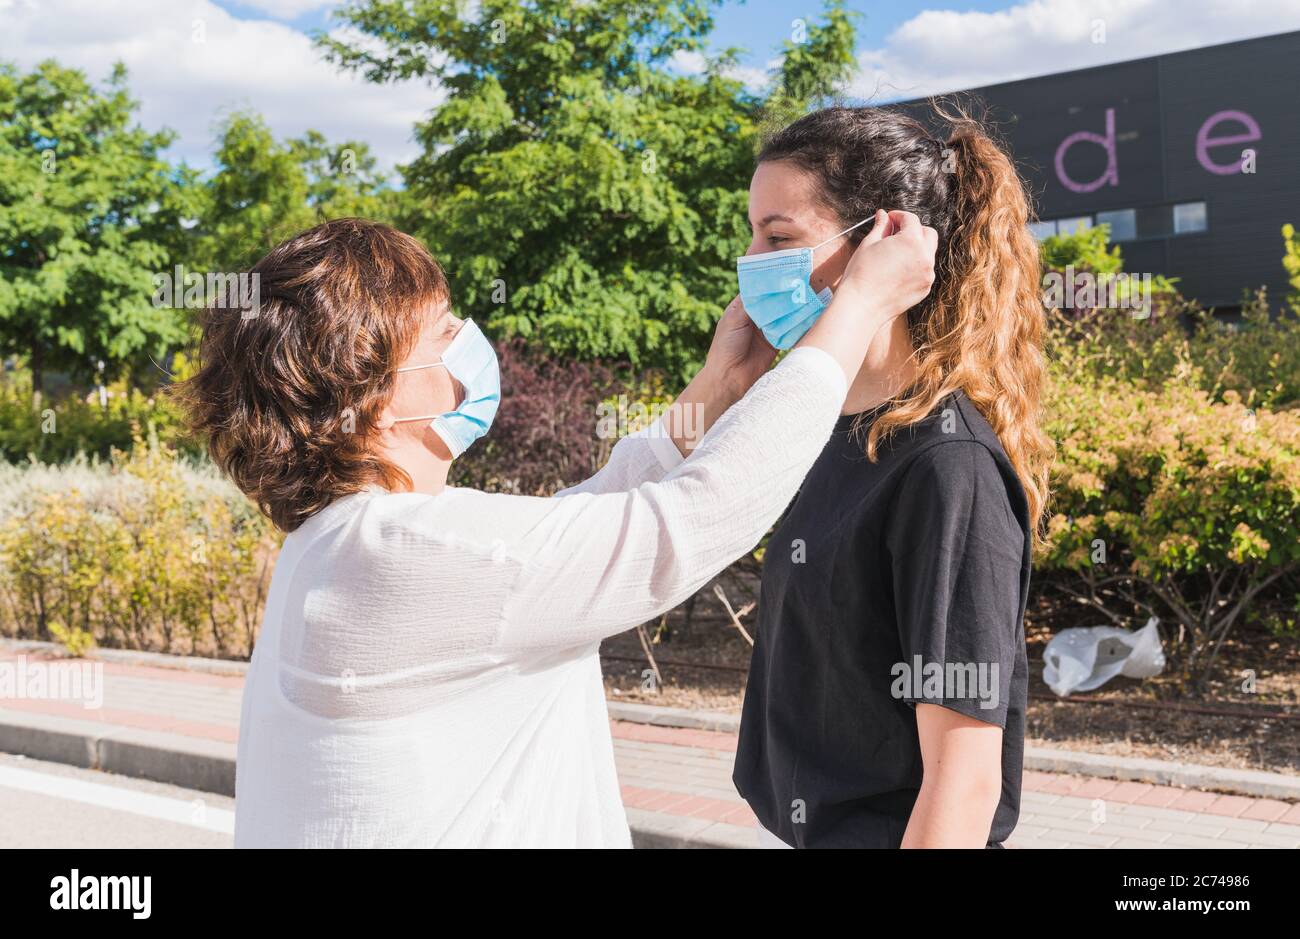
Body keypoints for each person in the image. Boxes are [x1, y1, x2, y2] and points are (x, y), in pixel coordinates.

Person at [178, 212, 936, 847]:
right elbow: (687, 522)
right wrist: (855, 310)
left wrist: (721, 386)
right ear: (375, 402)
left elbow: (576, 525)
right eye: (443, 334)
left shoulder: (346, 544)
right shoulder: (401, 556)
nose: (471, 345)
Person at [731, 105, 1055, 848]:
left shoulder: (948, 467)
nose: (752, 262)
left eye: (778, 238)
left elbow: (963, 781)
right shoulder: (830, 431)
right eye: (751, 234)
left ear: (883, 240)